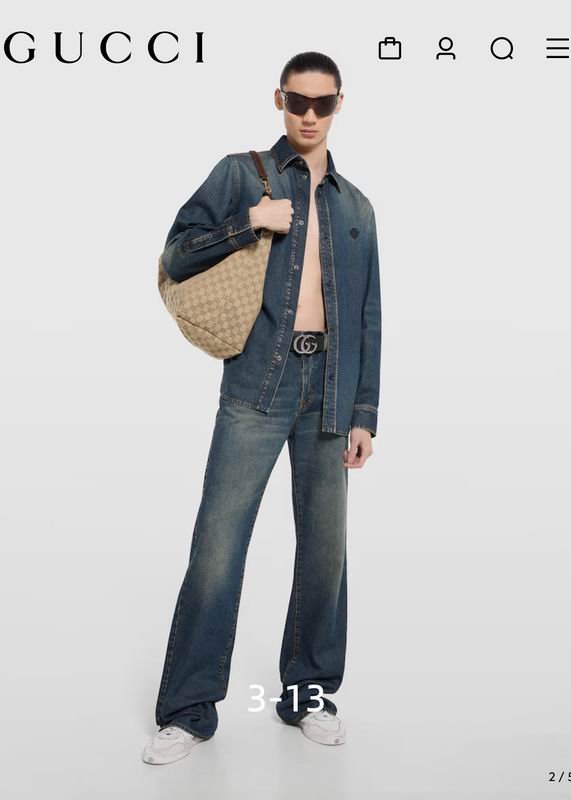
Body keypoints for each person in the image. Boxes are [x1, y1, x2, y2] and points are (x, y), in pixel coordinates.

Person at [142, 50, 382, 765]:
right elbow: (176, 255)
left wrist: (364, 412)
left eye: (322, 103)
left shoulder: (356, 206)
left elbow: (367, 315)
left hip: (330, 393)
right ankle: (187, 710)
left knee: (325, 555)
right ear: (279, 99)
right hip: (256, 386)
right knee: (218, 548)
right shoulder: (240, 175)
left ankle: (307, 695)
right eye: (296, 101)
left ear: (339, 105)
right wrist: (249, 223)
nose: (308, 115)